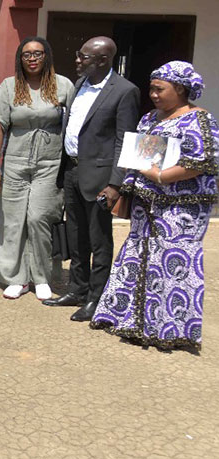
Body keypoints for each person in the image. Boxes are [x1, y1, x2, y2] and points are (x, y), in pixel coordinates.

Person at [92, 61, 217, 351]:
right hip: (145, 204)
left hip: (180, 210)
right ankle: (132, 322)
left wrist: (160, 176)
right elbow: (140, 155)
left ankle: (168, 329)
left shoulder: (199, 120)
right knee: (142, 256)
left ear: (181, 89)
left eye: (160, 89)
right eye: (152, 89)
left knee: (172, 263)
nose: (154, 95)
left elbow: (202, 162)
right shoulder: (149, 118)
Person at [44, 36, 140, 319]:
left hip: (100, 179)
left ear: (103, 60)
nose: (77, 60)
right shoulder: (80, 84)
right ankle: (77, 289)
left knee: (99, 241)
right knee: (76, 237)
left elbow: (125, 140)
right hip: (72, 171)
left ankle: (97, 299)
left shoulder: (125, 91)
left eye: (83, 57)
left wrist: (115, 184)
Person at [0, 37, 75, 299]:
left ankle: (41, 276)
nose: (32, 59)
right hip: (16, 162)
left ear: (47, 55)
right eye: (27, 54)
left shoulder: (63, 85)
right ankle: (16, 278)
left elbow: (74, 125)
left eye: (38, 53)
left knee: (40, 217)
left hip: (50, 163)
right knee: (13, 220)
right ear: (20, 58)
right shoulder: (9, 85)